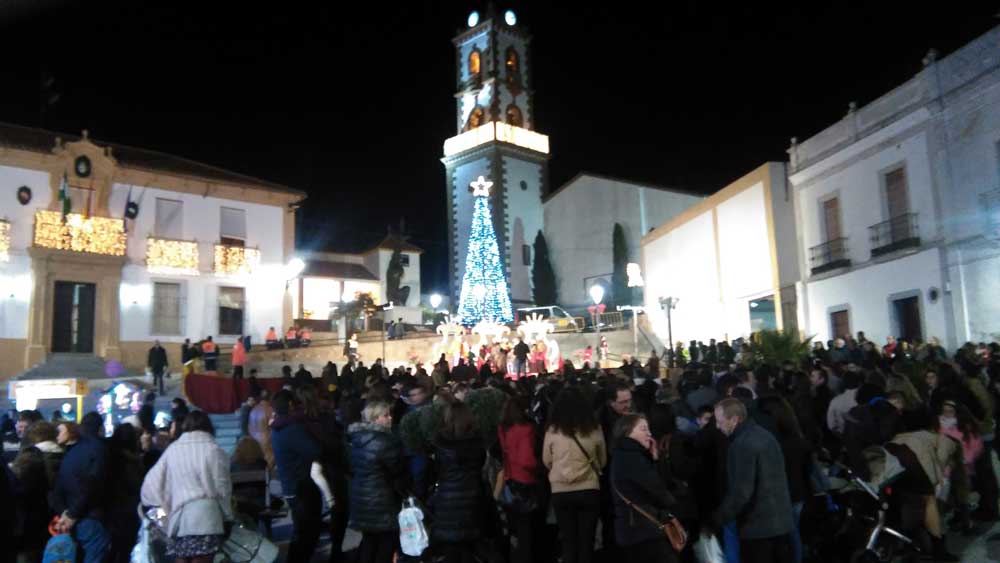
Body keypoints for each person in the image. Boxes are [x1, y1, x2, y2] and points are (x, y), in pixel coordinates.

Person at [141, 411, 233, 563]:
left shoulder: (172, 450)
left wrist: (163, 514)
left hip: (179, 520)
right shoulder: (214, 450)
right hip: (206, 518)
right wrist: (228, 516)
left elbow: (150, 486)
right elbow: (222, 488)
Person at [711, 398, 793, 563]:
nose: (717, 426)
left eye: (720, 422)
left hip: (757, 529)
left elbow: (741, 492)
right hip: (782, 523)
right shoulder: (765, 435)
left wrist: (717, 519)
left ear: (734, 419)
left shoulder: (741, 445)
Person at [543, 388, 607, 563]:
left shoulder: (552, 431)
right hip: (589, 490)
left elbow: (546, 460)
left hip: (560, 491)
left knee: (568, 541)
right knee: (587, 542)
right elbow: (602, 460)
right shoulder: (594, 429)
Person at [610, 414, 680, 563]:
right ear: (627, 432)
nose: (649, 433)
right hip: (642, 530)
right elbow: (657, 488)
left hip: (635, 528)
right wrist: (675, 505)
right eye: (643, 429)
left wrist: (654, 458)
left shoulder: (624, 454)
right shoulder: (632, 457)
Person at [349, 401, 407, 563]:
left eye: (390, 414)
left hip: (362, 497)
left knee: (369, 540)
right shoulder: (385, 441)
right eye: (385, 415)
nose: (390, 418)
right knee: (386, 543)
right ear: (374, 419)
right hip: (382, 498)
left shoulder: (356, 438)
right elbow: (398, 468)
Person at [429, 401, 487, 563]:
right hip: (472, 495)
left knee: (450, 548)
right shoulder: (476, 442)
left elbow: (437, 469)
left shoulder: (440, 444)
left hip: (447, 497)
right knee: (470, 547)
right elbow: (480, 465)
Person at [271, 390, 323, 562]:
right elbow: (314, 451)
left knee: (302, 530)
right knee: (306, 532)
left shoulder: (278, 426)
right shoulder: (291, 429)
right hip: (300, 485)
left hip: (291, 484)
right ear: (291, 405)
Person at [52, 412, 110, 563]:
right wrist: (72, 514)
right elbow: (93, 484)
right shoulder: (98, 449)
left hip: (72, 515)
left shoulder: (72, 452)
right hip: (89, 515)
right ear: (100, 428)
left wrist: (65, 513)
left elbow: (58, 486)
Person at [498, 395, 539, 563]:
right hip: (526, 480)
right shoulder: (526, 429)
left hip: (509, 478)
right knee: (527, 527)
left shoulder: (503, 428)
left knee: (514, 523)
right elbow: (526, 460)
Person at [106, 423, 144, 563]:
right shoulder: (131, 462)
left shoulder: (109, 457)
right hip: (127, 511)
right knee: (125, 549)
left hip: (112, 510)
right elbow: (137, 485)